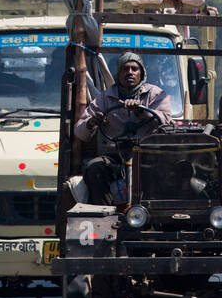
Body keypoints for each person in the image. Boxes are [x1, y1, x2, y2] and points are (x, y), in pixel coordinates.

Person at [73, 52, 174, 204]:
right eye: (125, 69)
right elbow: (80, 130)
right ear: (118, 73)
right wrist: (92, 122)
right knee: (94, 168)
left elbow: (166, 121)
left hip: (148, 154)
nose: (130, 73)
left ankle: (153, 213)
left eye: (134, 69)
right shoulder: (105, 97)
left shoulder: (154, 94)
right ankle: (104, 214)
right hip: (115, 155)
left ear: (142, 73)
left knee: (167, 171)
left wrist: (141, 111)